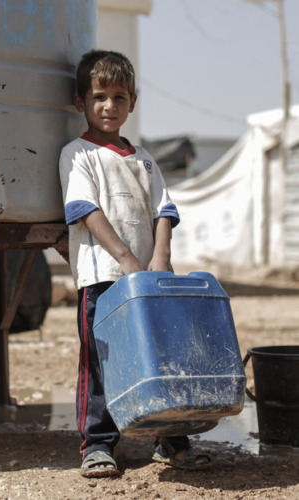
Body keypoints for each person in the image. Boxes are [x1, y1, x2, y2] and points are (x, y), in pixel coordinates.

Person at [59, 50, 211, 478]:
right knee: (101, 361)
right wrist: (126, 258)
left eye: (120, 97)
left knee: (163, 357)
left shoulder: (143, 157)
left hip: (150, 281)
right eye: (100, 96)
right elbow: (84, 209)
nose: (110, 106)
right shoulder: (78, 154)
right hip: (104, 278)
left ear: (133, 102)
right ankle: (98, 445)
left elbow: (164, 209)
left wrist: (158, 258)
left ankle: (172, 438)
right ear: (80, 102)